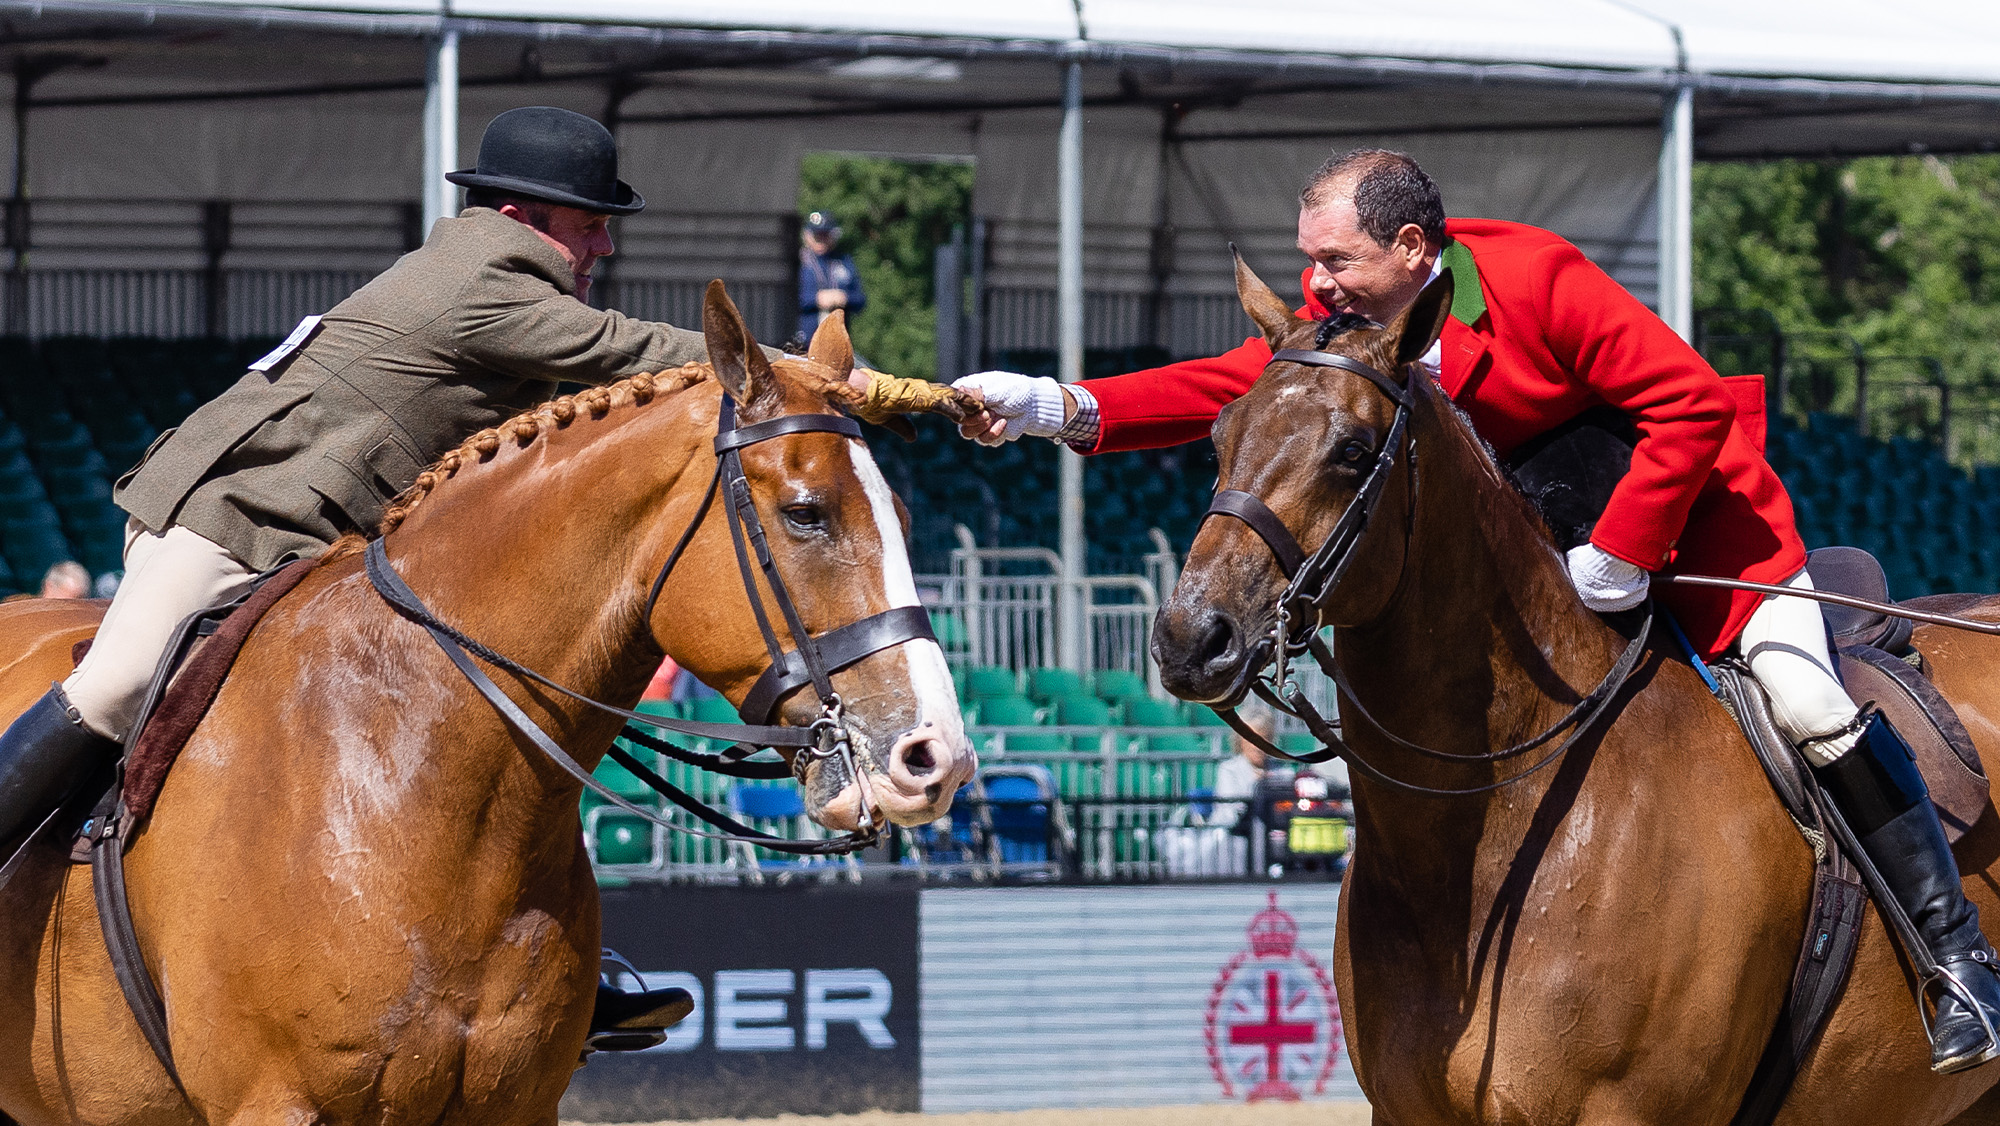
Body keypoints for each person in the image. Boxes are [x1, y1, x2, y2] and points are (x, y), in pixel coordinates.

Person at [950, 148, 2000, 1074]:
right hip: (1548, 555)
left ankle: (1954, 959)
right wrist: (1057, 406)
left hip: (1700, 538)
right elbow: (1232, 383)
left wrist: (1623, 554)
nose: (1312, 284)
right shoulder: (1353, 338)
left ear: (1411, 247)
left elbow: (1685, 405)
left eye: (1333, 262)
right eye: (1306, 262)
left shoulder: (1536, 277)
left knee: (1807, 700)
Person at [0, 105, 720, 1049]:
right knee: (117, 682)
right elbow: (651, 357)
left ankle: (544, 973)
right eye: (590, 223)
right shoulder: (485, 285)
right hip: (229, 519)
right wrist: (847, 381)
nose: (604, 243)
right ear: (526, 215)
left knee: (482, 736)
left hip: (327, 546)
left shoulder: (502, 284)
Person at [797, 211, 866, 344]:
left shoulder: (843, 261)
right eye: (817, 235)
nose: (821, 239)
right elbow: (785, 299)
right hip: (802, 342)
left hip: (836, 343)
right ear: (807, 235)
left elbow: (861, 299)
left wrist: (844, 297)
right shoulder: (798, 262)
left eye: (825, 235)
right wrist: (816, 299)